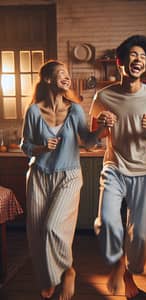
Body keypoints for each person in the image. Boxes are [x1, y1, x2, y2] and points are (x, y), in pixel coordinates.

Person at [90, 35, 146, 299]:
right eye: (134, 55)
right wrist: (102, 125)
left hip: (143, 170)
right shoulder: (103, 95)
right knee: (107, 222)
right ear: (120, 62)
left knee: (141, 236)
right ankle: (116, 266)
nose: (139, 60)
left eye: (143, 57)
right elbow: (92, 137)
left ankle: (129, 274)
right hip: (114, 167)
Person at [21, 60, 101, 300]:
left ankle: (67, 271)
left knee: (52, 227)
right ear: (47, 79)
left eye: (67, 73)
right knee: (36, 234)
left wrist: (101, 130)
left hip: (69, 176)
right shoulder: (34, 111)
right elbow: (25, 146)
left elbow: (87, 141)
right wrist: (41, 148)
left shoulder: (75, 109)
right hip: (38, 176)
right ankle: (48, 280)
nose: (67, 77)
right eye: (61, 73)